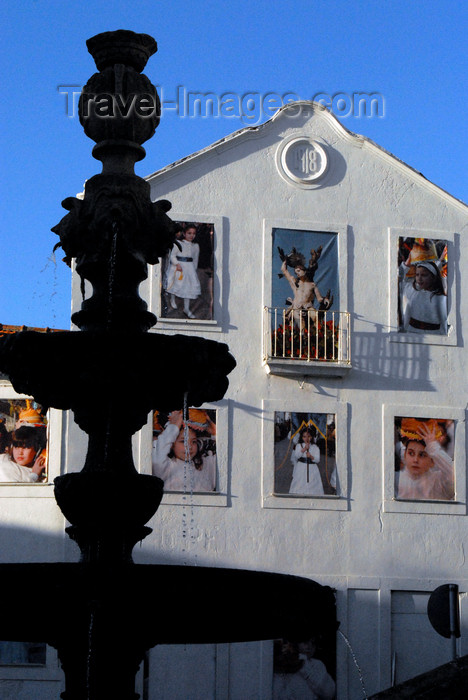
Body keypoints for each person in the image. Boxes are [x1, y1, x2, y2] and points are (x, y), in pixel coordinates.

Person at [152, 409, 216, 492]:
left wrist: (215, 433)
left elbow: (226, 457)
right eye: (183, 441)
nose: (189, 446)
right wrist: (174, 426)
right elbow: (158, 454)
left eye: (194, 441)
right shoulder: (166, 467)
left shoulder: (206, 465)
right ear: (171, 444)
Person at [395, 419, 454, 500]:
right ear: (404, 455)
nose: (415, 460)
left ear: (432, 462)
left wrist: (433, 447)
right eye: (411, 453)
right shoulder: (396, 479)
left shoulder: (438, 482)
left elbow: (456, 475)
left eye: (422, 455)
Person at [399, 248, 447, 334]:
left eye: (424, 275)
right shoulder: (412, 290)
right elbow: (399, 280)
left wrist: (441, 260)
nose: (419, 278)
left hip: (435, 335)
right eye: (417, 275)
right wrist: (407, 263)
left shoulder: (441, 297)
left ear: (433, 278)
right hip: (411, 333)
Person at [281, 260, 331, 330]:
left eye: (298, 271)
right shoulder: (295, 283)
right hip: (297, 307)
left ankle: (318, 333)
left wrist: (325, 299)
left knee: (315, 318)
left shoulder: (312, 285)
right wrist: (286, 260)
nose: (297, 273)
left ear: (304, 271)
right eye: (296, 272)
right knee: (301, 324)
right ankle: (302, 338)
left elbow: (319, 299)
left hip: (308, 307)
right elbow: (284, 270)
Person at [164, 223, 201, 318]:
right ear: (184, 234)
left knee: (188, 288)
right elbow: (172, 255)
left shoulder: (195, 246)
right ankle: (172, 299)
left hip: (189, 268)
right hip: (179, 267)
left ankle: (187, 308)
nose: (191, 235)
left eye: (193, 233)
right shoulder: (178, 244)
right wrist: (177, 264)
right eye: (189, 233)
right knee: (176, 284)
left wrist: (194, 270)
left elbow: (195, 259)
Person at [289, 427, 324, 496]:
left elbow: (317, 460)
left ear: (312, 437)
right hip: (301, 467)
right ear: (302, 437)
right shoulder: (299, 445)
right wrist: (304, 449)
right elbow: (297, 456)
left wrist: (311, 456)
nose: (307, 439)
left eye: (309, 436)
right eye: (304, 437)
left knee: (312, 483)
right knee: (300, 483)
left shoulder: (315, 447)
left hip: (312, 468)